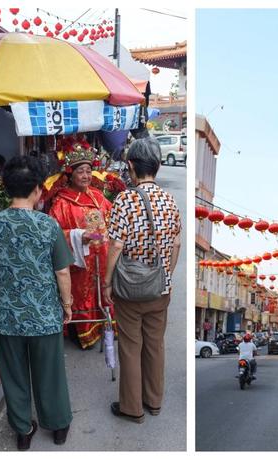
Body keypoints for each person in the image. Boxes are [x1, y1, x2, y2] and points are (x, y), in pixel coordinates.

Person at [0, 156, 74, 451]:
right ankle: (57, 425)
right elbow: (62, 271)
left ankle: (22, 430)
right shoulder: (49, 225)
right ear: (37, 191)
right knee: (50, 373)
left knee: (14, 375)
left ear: (7, 188)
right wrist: (66, 304)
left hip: (7, 317)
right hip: (44, 316)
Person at [103, 137, 181, 424]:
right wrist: (166, 275)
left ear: (131, 166)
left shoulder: (124, 200)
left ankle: (132, 408)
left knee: (130, 345)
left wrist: (106, 282)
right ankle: (154, 401)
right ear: (159, 166)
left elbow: (116, 246)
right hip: (160, 289)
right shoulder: (170, 201)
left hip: (129, 289)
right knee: (155, 345)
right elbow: (176, 245)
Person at [49, 139, 114, 349]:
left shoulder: (98, 197)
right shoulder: (62, 202)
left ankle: (106, 326)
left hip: (101, 256)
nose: (86, 176)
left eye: (88, 171)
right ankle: (81, 331)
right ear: (70, 174)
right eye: (80, 172)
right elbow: (54, 233)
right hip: (80, 261)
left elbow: (111, 220)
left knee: (102, 290)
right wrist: (77, 236)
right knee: (81, 294)